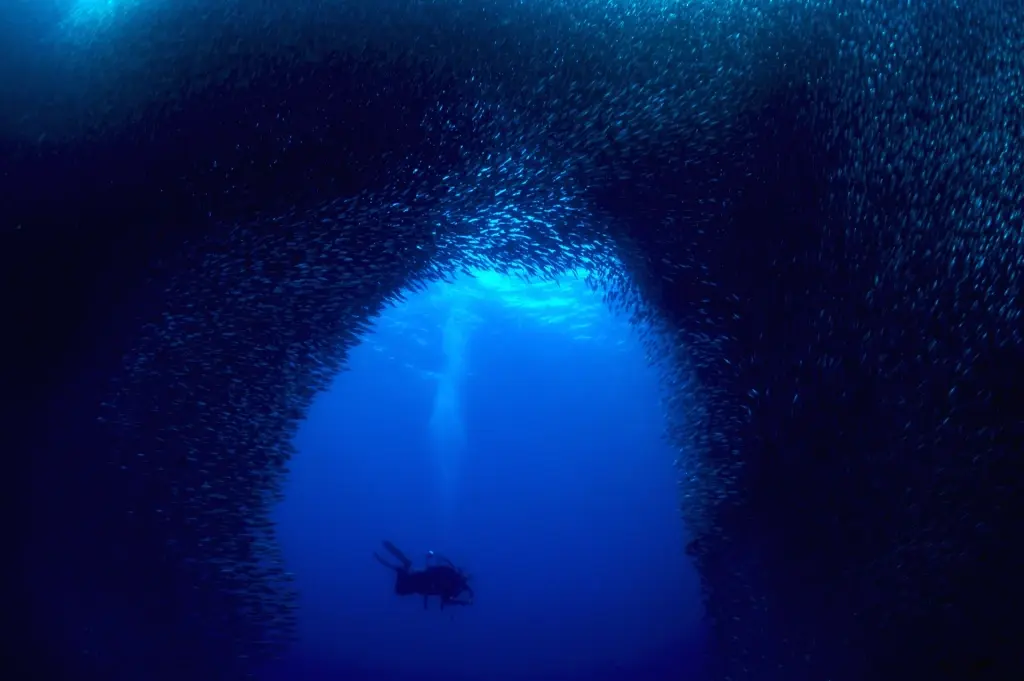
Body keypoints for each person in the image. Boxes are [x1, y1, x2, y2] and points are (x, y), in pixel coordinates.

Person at [374, 540, 474, 609]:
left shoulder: (451, 571)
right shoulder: (454, 588)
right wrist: (462, 603)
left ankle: (406, 567)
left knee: (406, 579)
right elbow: (446, 601)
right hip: (422, 586)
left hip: (423, 576)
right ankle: (403, 568)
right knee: (399, 590)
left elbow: (434, 568)